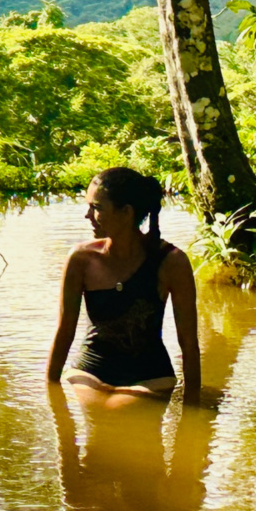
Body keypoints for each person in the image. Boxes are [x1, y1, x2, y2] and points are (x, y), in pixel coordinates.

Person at [45, 166, 201, 402]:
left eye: (96, 208)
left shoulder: (171, 262)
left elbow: (188, 343)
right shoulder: (80, 259)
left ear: (126, 213)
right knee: (96, 410)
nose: (87, 215)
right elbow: (64, 331)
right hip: (90, 372)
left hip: (149, 376)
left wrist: (193, 409)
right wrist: (50, 390)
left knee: (119, 410)